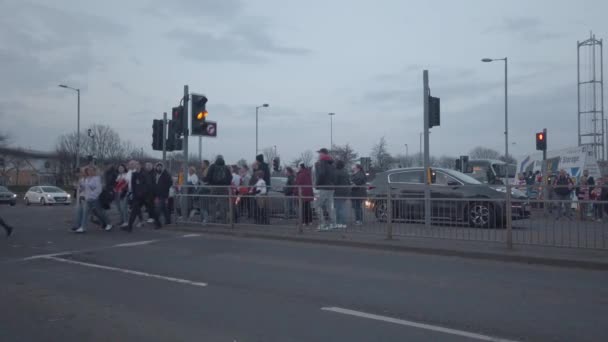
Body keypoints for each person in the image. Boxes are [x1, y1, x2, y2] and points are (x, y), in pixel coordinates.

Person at [72, 166, 112, 233]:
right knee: (85, 213)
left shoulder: (97, 178)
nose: (90, 172)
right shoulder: (87, 179)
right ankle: (83, 227)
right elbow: (85, 187)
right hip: (88, 199)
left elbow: (99, 189)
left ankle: (109, 223)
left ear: (94, 171)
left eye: (91, 171)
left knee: (100, 212)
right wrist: (80, 185)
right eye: (88, 171)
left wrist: (92, 196)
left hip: (95, 199)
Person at [126, 162, 161, 232]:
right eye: (134, 165)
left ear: (140, 165)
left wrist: (148, 195)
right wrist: (134, 194)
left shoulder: (144, 174)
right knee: (134, 211)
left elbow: (149, 185)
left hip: (146, 196)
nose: (135, 166)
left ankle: (158, 224)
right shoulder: (134, 174)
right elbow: (133, 186)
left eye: (137, 165)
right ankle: (129, 226)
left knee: (152, 210)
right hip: (137, 197)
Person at [204, 155, 233, 223]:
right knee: (223, 204)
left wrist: (209, 182)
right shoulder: (226, 168)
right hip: (224, 188)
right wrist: (226, 184)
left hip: (214, 187)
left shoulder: (212, 166)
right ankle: (224, 220)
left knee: (212, 203)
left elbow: (208, 176)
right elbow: (230, 178)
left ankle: (213, 219)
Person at [314, 148, 337, 230]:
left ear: (323, 154)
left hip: (323, 187)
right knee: (330, 207)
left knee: (316, 206)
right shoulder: (332, 164)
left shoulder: (322, 162)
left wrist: (317, 184)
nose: (319, 155)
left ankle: (322, 224)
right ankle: (333, 224)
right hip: (331, 188)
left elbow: (321, 174)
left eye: (320, 153)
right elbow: (335, 177)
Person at [334, 160, 351, 228]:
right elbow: (348, 182)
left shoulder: (336, 173)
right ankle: (343, 222)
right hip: (345, 191)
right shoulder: (346, 172)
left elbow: (335, 182)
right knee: (342, 207)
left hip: (338, 192)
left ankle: (340, 223)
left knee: (338, 208)